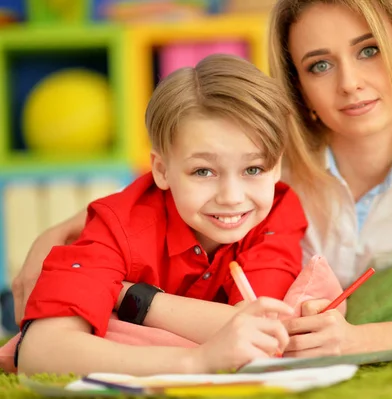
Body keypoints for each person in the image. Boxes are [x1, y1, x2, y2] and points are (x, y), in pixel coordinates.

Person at [13, 0, 392, 359]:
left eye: (369, 50)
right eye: (319, 65)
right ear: (298, 86)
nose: (350, 83)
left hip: (391, 312)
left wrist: (362, 339)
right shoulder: (262, 166)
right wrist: (52, 242)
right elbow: (137, 205)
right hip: (239, 312)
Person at [15, 53, 330, 375]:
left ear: (276, 167)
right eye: (203, 171)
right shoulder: (118, 225)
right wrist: (197, 361)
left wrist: (133, 297)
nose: (232, 198)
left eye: (253, 168)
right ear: (162, 171)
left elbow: (265, 329)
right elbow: (39, 350)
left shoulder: (277, 208)